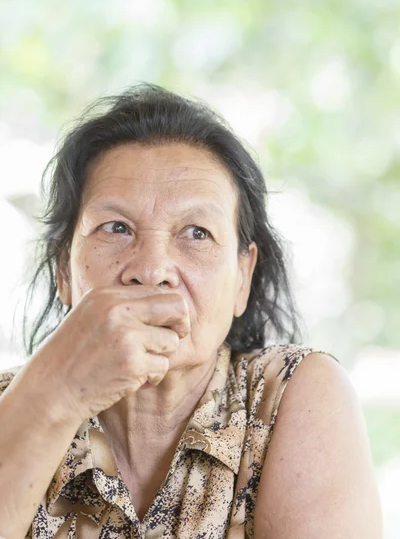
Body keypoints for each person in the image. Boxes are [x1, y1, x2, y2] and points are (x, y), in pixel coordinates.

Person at [0, 84, 382, 539]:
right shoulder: (14, 406)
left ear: (242, 277)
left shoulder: (291, 397)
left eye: (197, 233)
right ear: (64, 270)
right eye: (116, 228)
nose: (152, 269)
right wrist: (56, 391)